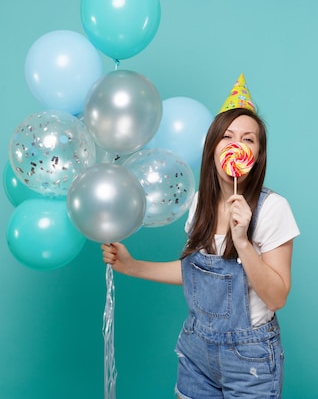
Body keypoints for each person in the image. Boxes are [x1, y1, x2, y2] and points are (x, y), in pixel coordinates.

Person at [101, 74, 300, 398]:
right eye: (228, 136)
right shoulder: (199, 205)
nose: (237, 144)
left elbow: (277, 297)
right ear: (213, 146)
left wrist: (243, 243)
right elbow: (196, 274)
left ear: (258, 154)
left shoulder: (273, 209)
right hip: (197, 350)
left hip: (249, 359)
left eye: (249, 140)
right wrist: (131, 265)